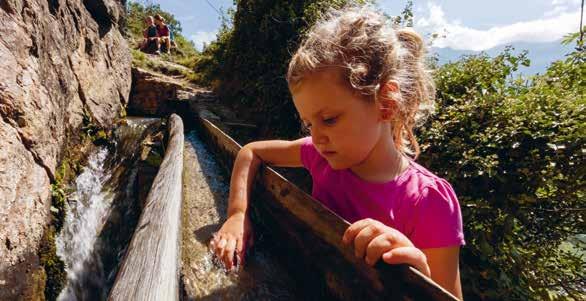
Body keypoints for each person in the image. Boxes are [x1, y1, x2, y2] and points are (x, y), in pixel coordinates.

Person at [208, 4, 465, 299]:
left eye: (329, 119)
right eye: (309, 124)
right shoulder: (320, 155)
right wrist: (237, 214)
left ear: (386, 104)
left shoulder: (430, 202)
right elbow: (251, 151)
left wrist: (418, 272)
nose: (316, 137)